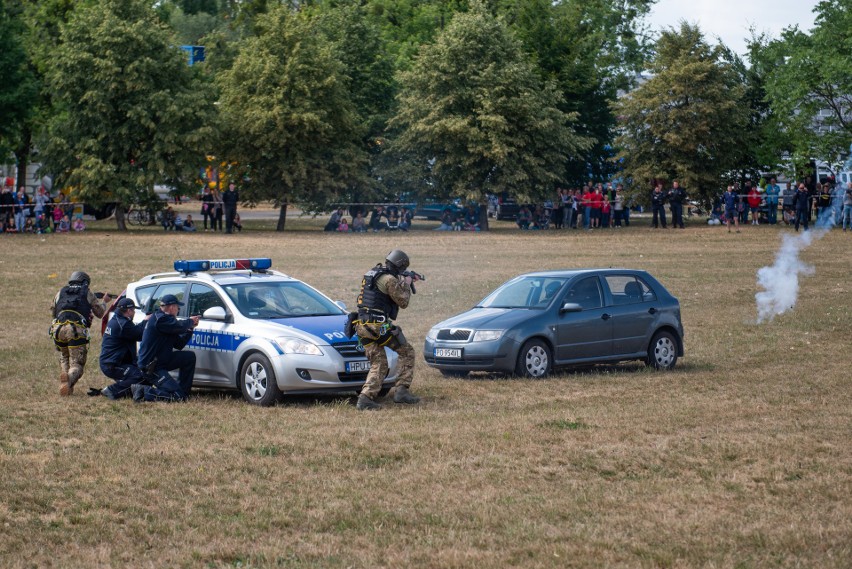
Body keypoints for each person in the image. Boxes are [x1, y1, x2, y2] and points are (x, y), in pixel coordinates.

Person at [353, 250, 421, 411]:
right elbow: (403, 301)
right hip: (377, 326)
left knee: (379, 362)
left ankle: (365, 398)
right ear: (400, 265)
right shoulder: (390, 279)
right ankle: (402, 391)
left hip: (362, 325)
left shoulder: (373, 273)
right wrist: (406, 282)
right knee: (407, 352)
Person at [50, 271, 111, 396]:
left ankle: (67, 388)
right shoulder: (87, 292)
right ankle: (69, 379)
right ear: (85, 282)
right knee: (77, 363)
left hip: (57, 329)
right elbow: (100, 313)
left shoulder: (60, 292)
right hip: (75, 330)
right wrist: (104, 301)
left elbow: (53, 311)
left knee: (65, 356)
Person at [133, 294, 199, 403]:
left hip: (161, 361)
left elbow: (179, 344)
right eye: (178, 307)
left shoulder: (168, 322)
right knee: (178, 397)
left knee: (189, 357)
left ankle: (184, 392)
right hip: (151, 367)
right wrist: (190, 321)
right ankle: (144, 391)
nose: (178, 310)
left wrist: (190, 329)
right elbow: (179, 325)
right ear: (172, 307)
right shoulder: (160, 319)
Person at [99, 298, 151, 399]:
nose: (134, 312)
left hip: (114, 361)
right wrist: (145, 321)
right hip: (112, 364)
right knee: (139, 376)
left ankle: (132, 393)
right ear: (129, 311)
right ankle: (111, 391)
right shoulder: (123, 324)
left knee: (145, 375)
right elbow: (139, 334)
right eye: (133, 310)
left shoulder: (118, 320)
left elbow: (134, 330)